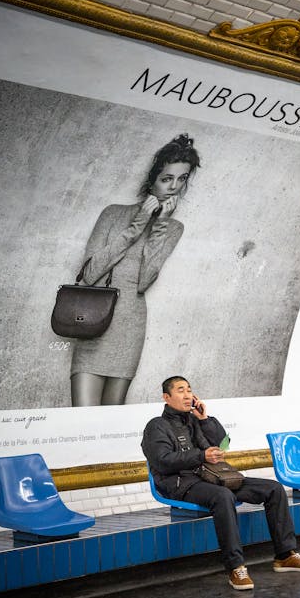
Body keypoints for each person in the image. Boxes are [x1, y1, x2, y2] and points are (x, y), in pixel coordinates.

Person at [142, 376, 300, 590]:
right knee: (223, 496)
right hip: (180, 483)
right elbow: (162, 462)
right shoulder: (156, 426)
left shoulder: (194, 420)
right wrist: (201, 456)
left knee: (273, 489)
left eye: (189, 390)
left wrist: (205, 419)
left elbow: (221, 443)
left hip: (211, 477)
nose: (188, 395)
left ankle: (285, 555)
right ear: (166, 397)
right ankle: (236, 567)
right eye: (181, 390)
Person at [71, 135, 201, 406]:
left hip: (129, 328)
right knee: (81, 421)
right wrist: (136, 226)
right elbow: (89, 275)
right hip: (94, 324)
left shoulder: (174, 228)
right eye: (167, 178)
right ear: (152, 179)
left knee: (110, 423)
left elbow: (144, 282)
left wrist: (160, 225)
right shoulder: (113, 213)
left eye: (182, 179)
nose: (174, 187)